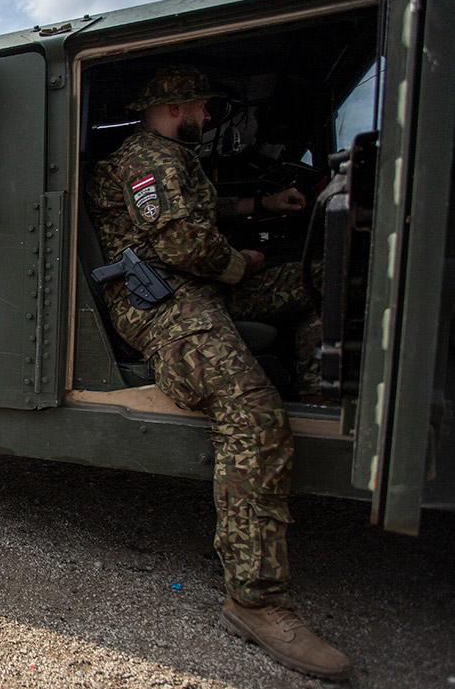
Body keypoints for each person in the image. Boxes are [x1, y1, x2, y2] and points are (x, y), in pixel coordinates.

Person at [89, 66, 350, 681]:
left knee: (316, 283)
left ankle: (314, 413)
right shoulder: (145, 160)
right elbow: (181, 241)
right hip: (162, 301)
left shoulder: (172, 159)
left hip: (199, 286)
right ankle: (254, 601)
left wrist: (259, 207)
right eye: (204, 107)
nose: (210, 117)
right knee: (253, 417)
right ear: (179, 107)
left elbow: (197, 213)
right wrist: (239, 265)